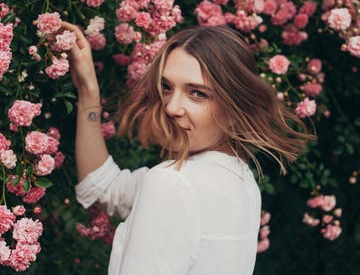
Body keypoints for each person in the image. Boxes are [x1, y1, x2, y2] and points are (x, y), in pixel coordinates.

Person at [62, 22, 314, 275]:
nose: (171, 107)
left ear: (234, 109)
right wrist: (88, 91)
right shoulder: (241, 181)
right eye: (167, 87)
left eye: (198, 94)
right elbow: (102, 186)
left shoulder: (174, 183)